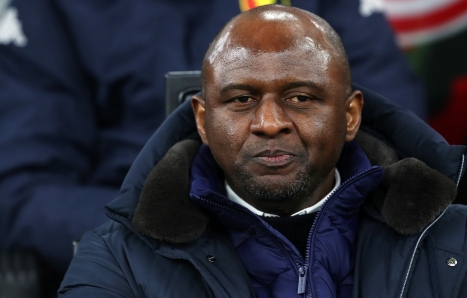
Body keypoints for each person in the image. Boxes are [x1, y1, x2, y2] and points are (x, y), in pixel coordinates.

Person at [57, 5, 467, 297]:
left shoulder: (456, 240)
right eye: (241, 100)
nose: (270, 123)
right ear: (201, 119)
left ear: (351, 114)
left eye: (301, 97)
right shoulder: (116, 257)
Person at [0, 0, 425, 291]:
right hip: (137, 255)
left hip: (319, 241)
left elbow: (393, 141)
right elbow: (23, 190)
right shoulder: (53, 10)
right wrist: (157, 233)